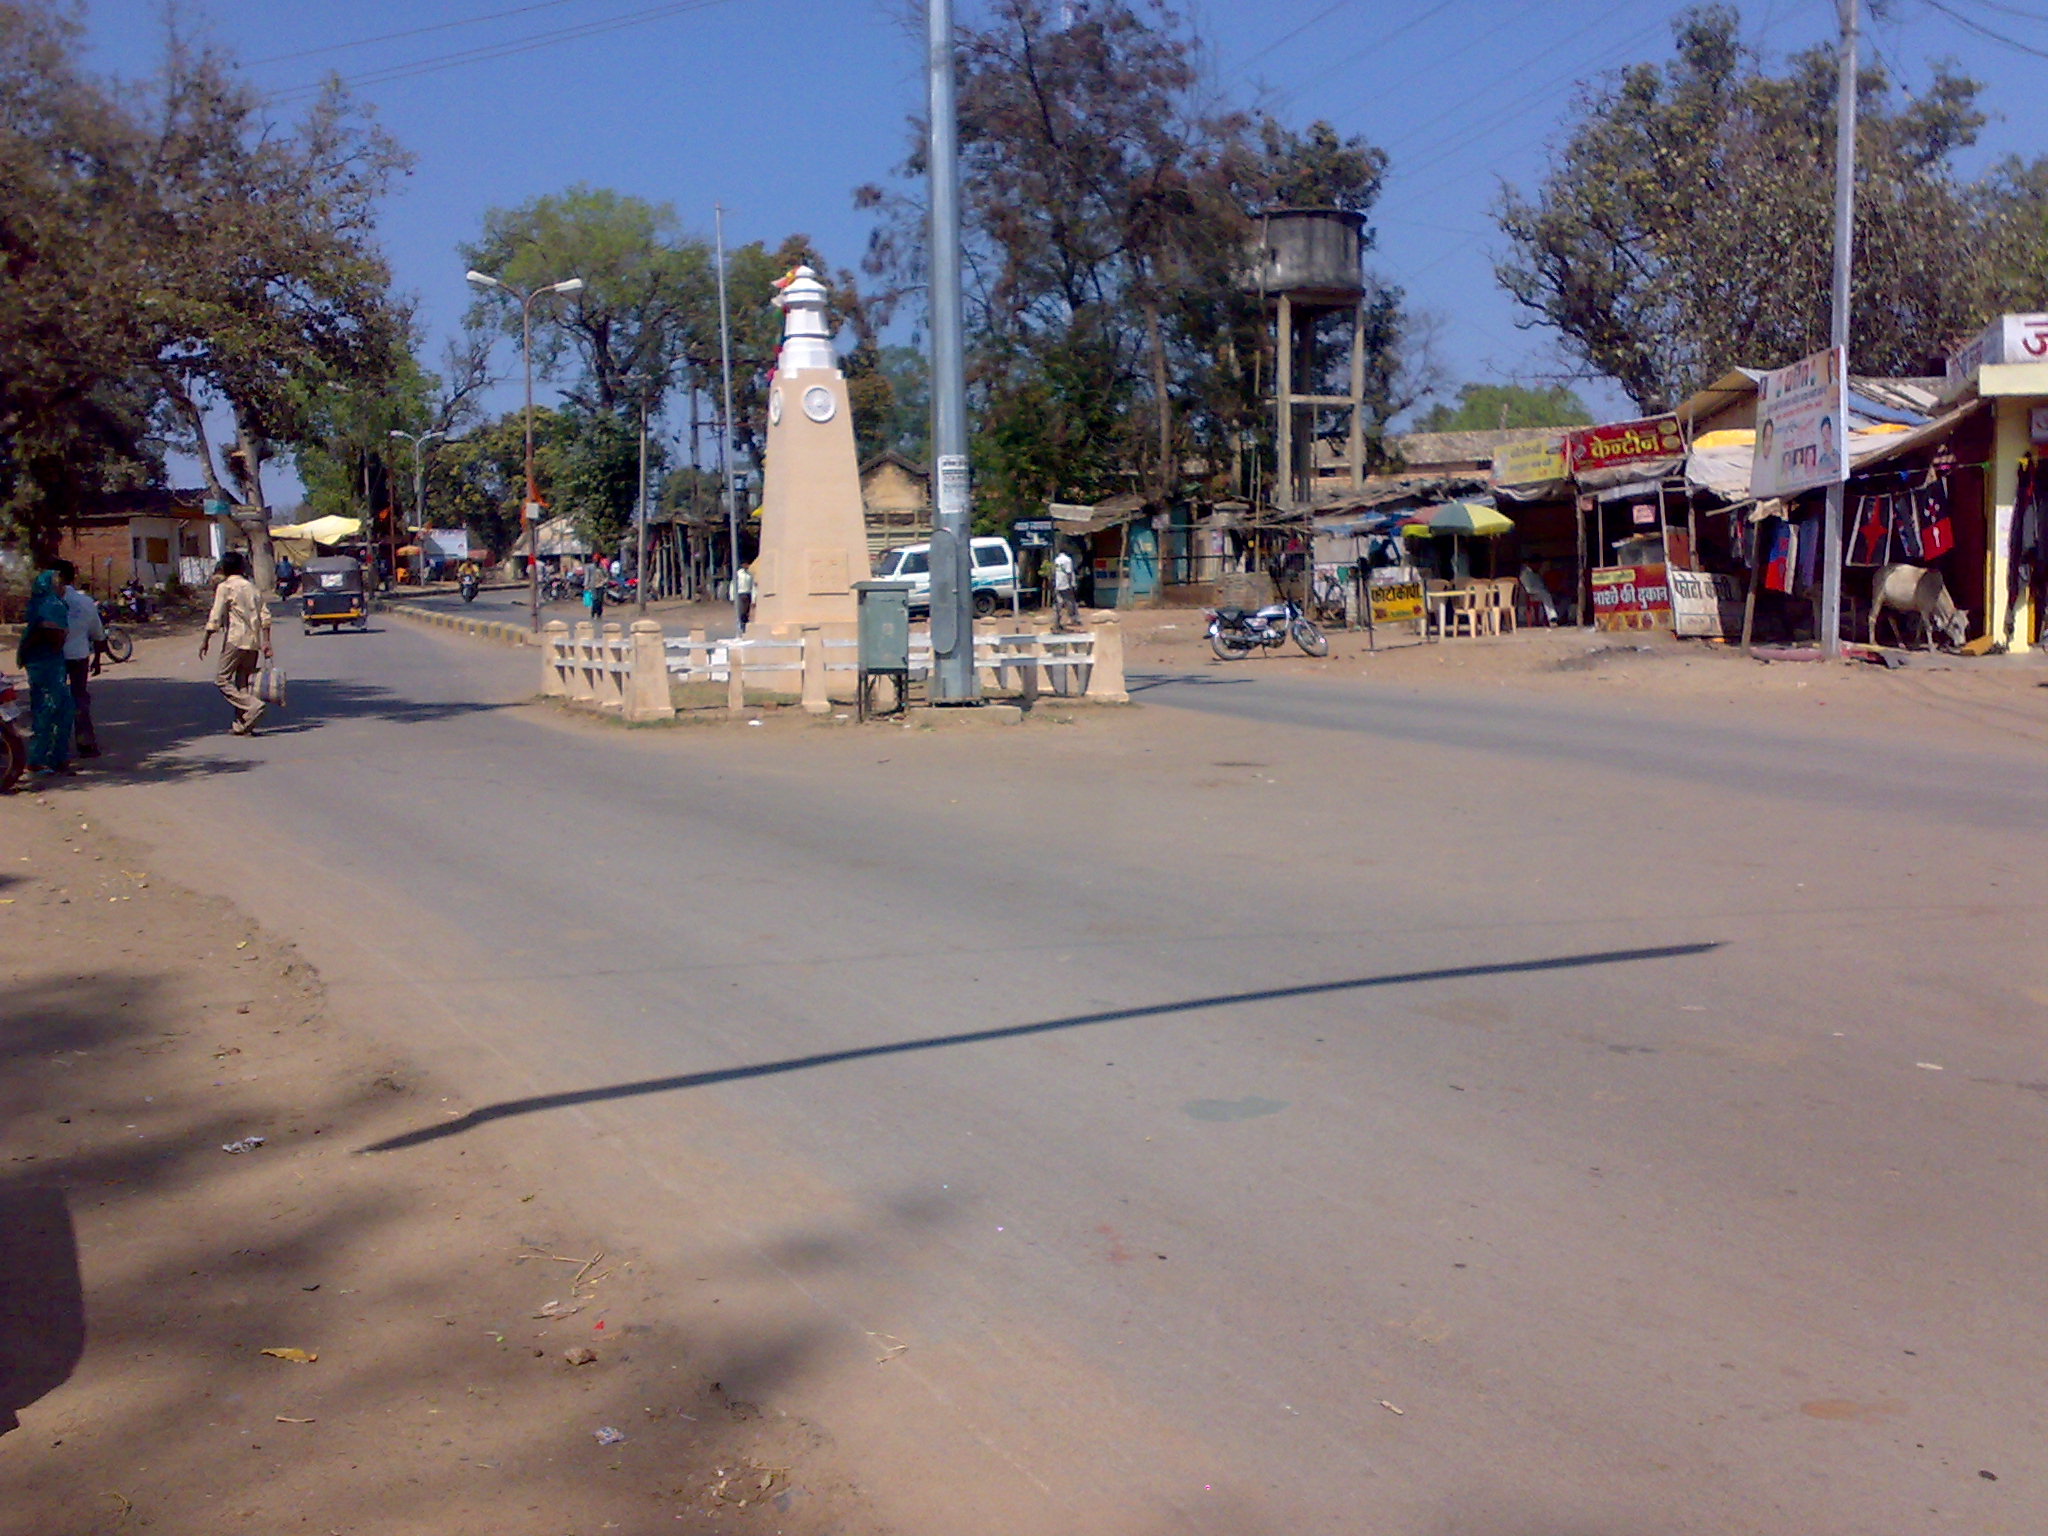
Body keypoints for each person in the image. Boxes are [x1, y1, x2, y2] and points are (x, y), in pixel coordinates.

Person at [199, 550, 273, 736]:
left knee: (222, 679)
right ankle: (242, 724)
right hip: (253, 641)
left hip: (235, 639)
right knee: (242, 681)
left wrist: (206, 639)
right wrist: (267, 642)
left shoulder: (226, 587)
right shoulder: (252, 587)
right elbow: (265, 616)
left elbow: (215, 615)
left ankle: (252, 705)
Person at [15, 569, 72, 777]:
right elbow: (55, 633)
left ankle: (52, 757)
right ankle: (40, 760)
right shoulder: (52, 605)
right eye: (58, 582)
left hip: (42, 663)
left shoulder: (38, 604)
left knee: (52, 708)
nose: (61, 585)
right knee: (51, 709)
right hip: (48, 664)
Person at [54, 560, 103, 759]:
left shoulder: (47, 601)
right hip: (78, 656)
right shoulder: (85, 602)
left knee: (54, 700)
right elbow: (98, 634)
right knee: (79, 698)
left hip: (53, 658)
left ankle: (56, 748)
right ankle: (85, 743)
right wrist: (97, 659)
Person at [1051, 547, 1078, 631]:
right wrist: (1071, 584)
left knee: (1059, 603)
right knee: (1069, 601)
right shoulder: (1068, 560)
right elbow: (1069, 572)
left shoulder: (1056, 560)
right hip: (1065, 584)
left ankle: (1057, 621)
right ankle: (1072, 618)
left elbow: (1054, 573)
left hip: (1058, 584)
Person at [734, 561, 756, 632]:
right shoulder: (738, 574)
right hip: (740, 594)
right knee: (741, 611)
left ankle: (744, 626)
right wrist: (732, 596)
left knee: (746, 611)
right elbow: (733, 584)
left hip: (748, 594)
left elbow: (753, 587)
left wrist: (753, 599)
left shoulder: (750, 575)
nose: (746, 566)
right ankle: (741, 625)